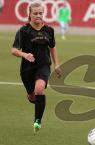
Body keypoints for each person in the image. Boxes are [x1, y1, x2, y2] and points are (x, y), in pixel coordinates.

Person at [11, 2, 62, 133]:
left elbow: (52, 47)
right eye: (35, 13)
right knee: (33, 96)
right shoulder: (24, 31)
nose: (38, 16)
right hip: (27, 69)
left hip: (43, 66)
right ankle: (34, 100)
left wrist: (57, 64)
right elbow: (14, 50)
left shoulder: (49, 30)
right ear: (30, 14)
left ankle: (37, 121)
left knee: (39, 89)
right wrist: (25, 55)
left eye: (40, 13)